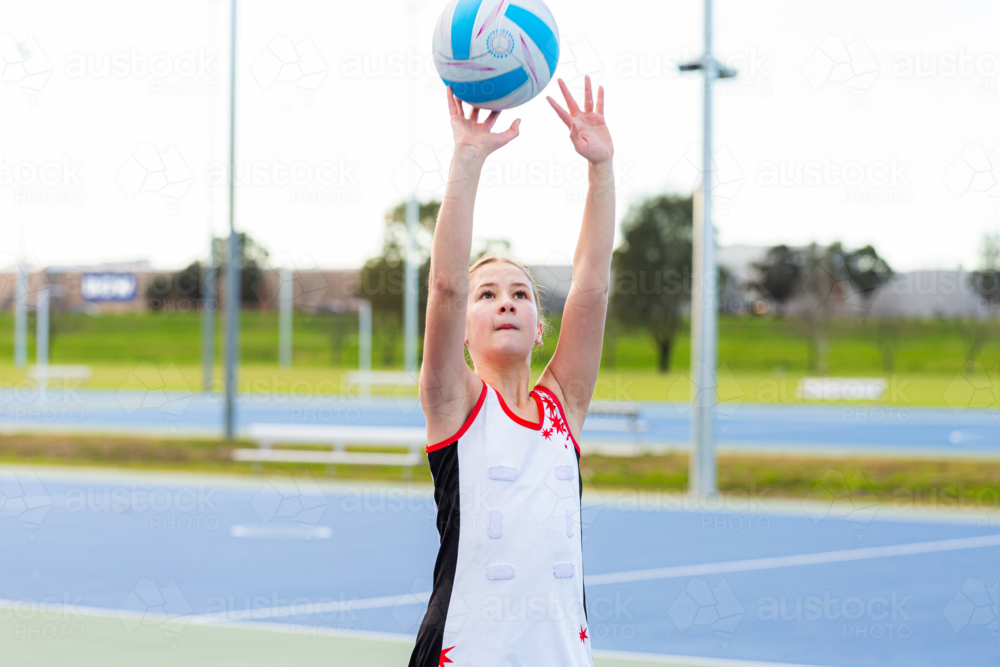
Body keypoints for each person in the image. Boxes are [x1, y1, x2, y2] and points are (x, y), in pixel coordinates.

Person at [409, 75, 615, 667]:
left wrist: (600, 169)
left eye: (521, 294)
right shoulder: (453, 403)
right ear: (464, 330)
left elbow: (593, 285)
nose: (506, 301)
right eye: (489, 294)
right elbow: (445, 286)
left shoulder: (564, 408)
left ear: (540, 327)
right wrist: (467, 159)